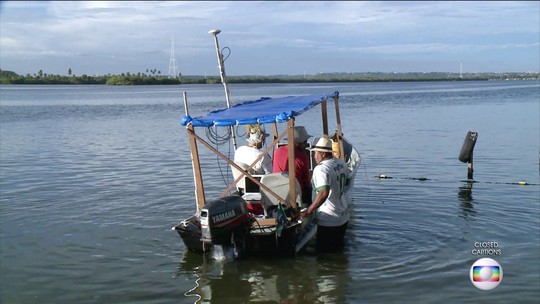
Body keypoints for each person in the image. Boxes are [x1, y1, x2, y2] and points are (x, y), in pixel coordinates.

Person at [303, 136, 351, 253]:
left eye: (316, 153)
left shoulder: (321, 169)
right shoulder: (341, 163)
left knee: (324, 256)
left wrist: (309, 211)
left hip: (329, 219)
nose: (314, 156)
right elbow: (347, 183)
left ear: (323, 154)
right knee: (338, 251)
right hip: (343, 215)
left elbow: (324, 193)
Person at [272, 126, 312, 205]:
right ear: (297, 142)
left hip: (277, 191)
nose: (305, 145)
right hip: (296, 195)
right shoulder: (302, 157)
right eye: (305, 142)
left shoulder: (277, 151)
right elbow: (306, 182)